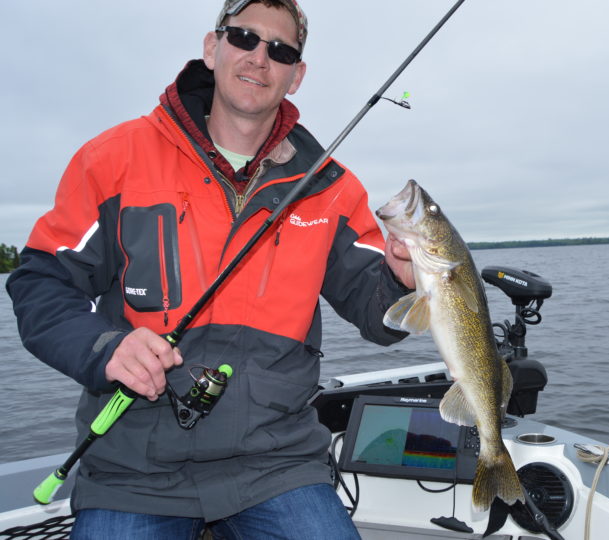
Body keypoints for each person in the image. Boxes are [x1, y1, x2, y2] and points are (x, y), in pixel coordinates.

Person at [6, 1, 415, 538]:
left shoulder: (331, 187)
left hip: (278, 464)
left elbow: (378, 313)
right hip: (132, 470)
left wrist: (408, 282)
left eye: (281, 50)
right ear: (211, 46)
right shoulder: (113, 159)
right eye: (244, 37)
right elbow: (41, 282)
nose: (259, 58)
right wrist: (106, 349)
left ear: (297, 76)